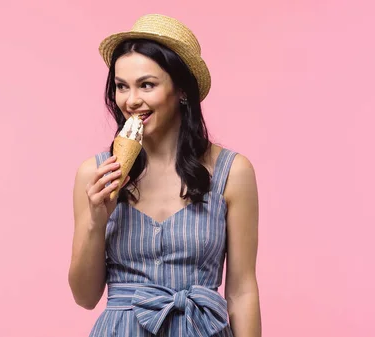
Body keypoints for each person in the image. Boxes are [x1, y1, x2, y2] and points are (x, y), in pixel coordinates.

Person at [68, 13, 261, 337]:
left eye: (147, 85)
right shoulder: (96, 174)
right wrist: (96, 221)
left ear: (182, 90)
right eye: (121, 87)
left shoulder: (232, 172)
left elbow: (242, 291)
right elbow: (85, 297)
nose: (131, 101)